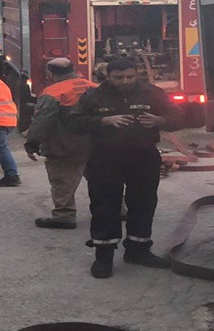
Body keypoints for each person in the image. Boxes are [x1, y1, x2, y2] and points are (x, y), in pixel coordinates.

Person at [71, 57, 183, 278]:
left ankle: (138, 250)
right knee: (104, 205)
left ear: (137, 74)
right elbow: (74, 122)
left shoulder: (153, 93)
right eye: (118, 77)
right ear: (108, 76)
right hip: (105, 158)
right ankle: (103, 257)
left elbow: (179, 117)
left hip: (143, 156)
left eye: (130, 76)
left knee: (143, 203)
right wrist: (104, 121)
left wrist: (160, 121)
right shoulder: (93, 96)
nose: (125, 81)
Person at [25, 58, 97, 229]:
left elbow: (42, 121)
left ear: (50, 74)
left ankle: (64, 216)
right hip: (96, 143)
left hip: (65, 145)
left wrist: (32, 143)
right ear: (74, 69)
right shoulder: (93, 87)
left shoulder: (53, 93)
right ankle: (117, 210)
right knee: (103, 178)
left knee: (63, 181)